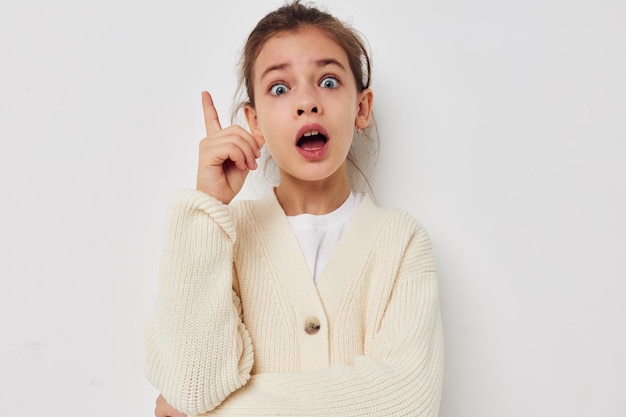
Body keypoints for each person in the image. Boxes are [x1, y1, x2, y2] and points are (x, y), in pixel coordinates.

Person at [144, 1, 444, 416]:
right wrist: (206, 207)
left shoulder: (401, 244)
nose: (307, 102)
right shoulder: (224, 237)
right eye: (280, 88)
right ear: (255, 121)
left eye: (329, 81)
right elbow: (192, 385)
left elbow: (408, 400)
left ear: (362, 108)